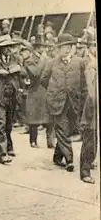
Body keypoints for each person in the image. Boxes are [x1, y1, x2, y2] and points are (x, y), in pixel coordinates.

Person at [41, 33, 87, 172]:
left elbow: (84, 83)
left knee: (67, 130)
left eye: (68, 47)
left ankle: (57, 156)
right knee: (62, 129)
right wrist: (54, 91)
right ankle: (69, 160)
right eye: (62, 47)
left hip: (74, 103)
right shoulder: (52, 63)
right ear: (58, 49)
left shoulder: (79, 62)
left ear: (72, 47)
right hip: (56, 102)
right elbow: (44, 80)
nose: (65, 50)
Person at [0, 35, 25, 164]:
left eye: (10, 47)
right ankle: (2, 153)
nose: (9, 49)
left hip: (12, 96)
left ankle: (5, 145)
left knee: (8, 125)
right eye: (6, 47)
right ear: (0, 49)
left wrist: (18, 69)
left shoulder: (16, 58)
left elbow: (24, 73)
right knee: (0, 123)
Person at [21, 41, 53, 148]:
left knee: (49, 118)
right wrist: (44, 60)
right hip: (34, 91)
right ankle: (33, 141)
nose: (44, 49)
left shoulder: (48, 59)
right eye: (42, 46)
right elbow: (36, 73)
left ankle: (50, 141)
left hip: (46, 90)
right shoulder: (29, 61)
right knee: (33, 118)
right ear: (36, 48)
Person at [79, 35, 97, 184]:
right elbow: (91, 91)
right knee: (89, 139)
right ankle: (85, 172)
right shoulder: (91, 66)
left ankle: (90, 162)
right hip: (92, 107)